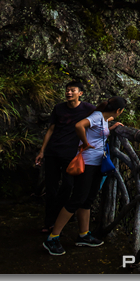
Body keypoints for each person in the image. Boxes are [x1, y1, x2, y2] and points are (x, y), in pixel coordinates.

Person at [43, 96, 126, 256]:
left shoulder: (103, 117)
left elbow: (100, 129)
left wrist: (112, 127)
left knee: (88, 199)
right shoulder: (96, 116)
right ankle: (52, 237)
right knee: (77, 199)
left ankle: (83, 235)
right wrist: (85, 143)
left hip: (97, 164)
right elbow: (79, 125)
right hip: (87, 163)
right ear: (119, 111)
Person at [35, 81, 96, 235]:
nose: (69, 93)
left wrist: (113, 124)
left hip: (71, 155)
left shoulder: (88, 108)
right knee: (51, 188)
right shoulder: (59, 108)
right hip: (53, 152)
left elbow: (100, 119)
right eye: (67, 90)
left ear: (80, 93)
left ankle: (60, 219)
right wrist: (42, 151)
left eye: (72, 90)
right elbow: (51, 130)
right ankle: (49, 222)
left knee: (68, 186)